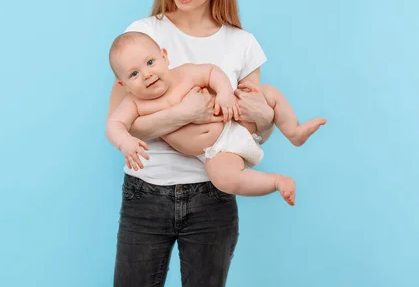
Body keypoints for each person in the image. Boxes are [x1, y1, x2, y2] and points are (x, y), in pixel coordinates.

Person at [108, 0, 287, 287]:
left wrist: (266, 117)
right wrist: (186, 114)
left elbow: (251, 130)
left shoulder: (242, 44)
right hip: (146, 192)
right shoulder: (144, 34)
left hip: (213, 195)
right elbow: (123, 122)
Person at [106, 31, 327, 206]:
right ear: (122, 85)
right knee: (224, 178)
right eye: (134, 74)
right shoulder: (134, 103)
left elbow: (212, 72)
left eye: (150, 62)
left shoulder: (183, 74)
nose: (147, 74)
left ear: (164, 57)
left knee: (267, 92)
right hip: (216, 152)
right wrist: (125, 142)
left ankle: (294, 132)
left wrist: (224, 93)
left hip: (234, 118)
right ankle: (277, 182)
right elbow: (114, 124)